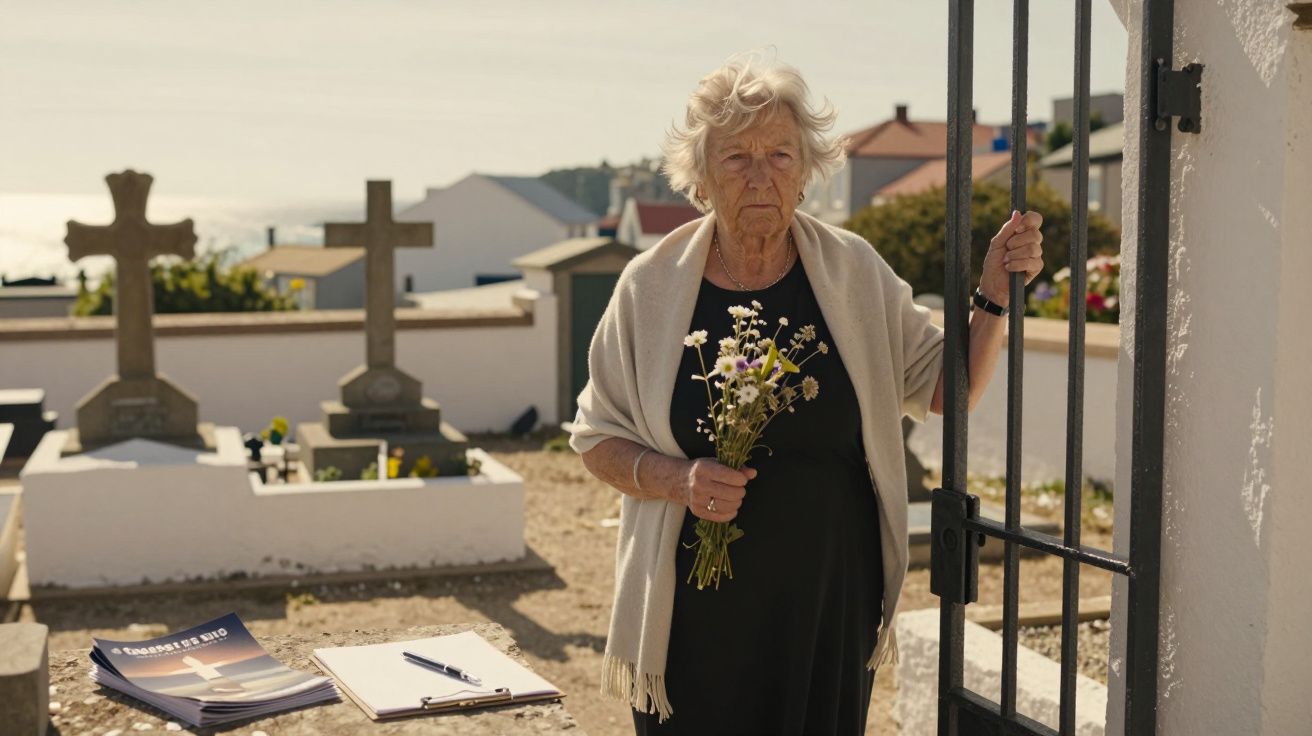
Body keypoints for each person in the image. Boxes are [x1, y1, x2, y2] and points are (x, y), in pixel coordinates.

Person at [568, 55, 1045, 734]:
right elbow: (595, 441)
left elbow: (947, 389)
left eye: (780, 154)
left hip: (827, 601)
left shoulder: (852, 271)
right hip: (693, 614)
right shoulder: (651, 287)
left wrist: (993, 292)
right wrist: (678, 478)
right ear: (700, 176)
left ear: (807, 167)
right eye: (736, 157)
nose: (761, 175)